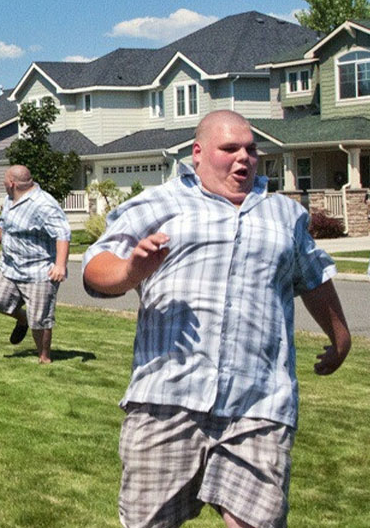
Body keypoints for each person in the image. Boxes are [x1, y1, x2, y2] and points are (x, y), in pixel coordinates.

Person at [82, 110, 351, 528]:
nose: (244, 157)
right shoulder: (159, 203)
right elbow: (95, 266)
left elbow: (313, 277)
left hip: (260, 402)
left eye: (251, 149)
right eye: (230, 148)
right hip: (168, 397)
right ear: (198, 152)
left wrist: (340, 338)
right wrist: (131, 271)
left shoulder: (284, 214)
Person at [0, 165, 69, 364]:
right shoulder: (10, 199)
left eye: (4, 180)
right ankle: (23, 319)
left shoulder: (43, 204)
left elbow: (63, 233)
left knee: (40, 319)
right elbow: (2, 223)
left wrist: (60, 265)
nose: (3, 183)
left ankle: (44, 358)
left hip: (38, 270)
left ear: (12, 183)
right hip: (10, 267)